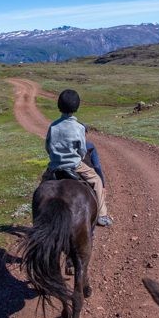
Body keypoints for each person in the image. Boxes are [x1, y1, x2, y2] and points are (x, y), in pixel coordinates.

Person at [44, 89, 113, 227]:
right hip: (74, 165)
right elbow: (82, 149)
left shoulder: (53, 126)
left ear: (59, 106)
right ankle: (102, 216)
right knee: (97, 181)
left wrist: (55, 157)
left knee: (43, 185)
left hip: (55, 165)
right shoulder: (79, 127)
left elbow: (48, 146)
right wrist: (78, 157)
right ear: (76, 107)